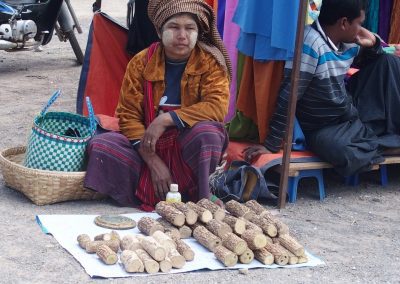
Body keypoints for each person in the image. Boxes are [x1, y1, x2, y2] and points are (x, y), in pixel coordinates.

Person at [84, 0, 231, 209]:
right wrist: (152, 160)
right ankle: (159, 192)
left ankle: (200, 195)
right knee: (101, 146)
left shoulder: (209, 62)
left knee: (208, 133)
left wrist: (165, 119)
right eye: (174, 27)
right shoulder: (141, 62)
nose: (182, 35)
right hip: (147, 145)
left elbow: (217, 107)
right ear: (160, 31)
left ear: (198, 33)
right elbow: (127, 115)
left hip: (185, 146)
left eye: (190, 28)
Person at [243, 0, 400, 177]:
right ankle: (381, 141)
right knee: (344, 152)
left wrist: (374, 43)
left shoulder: (349, 42)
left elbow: (375, 60)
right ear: (344, 23)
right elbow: (289, 95)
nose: (361, 29)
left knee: (390, 62)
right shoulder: (311, 44)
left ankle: (376, 140)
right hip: (323, 126)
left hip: (348, 113)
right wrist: (270, 144)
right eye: (359, 24)